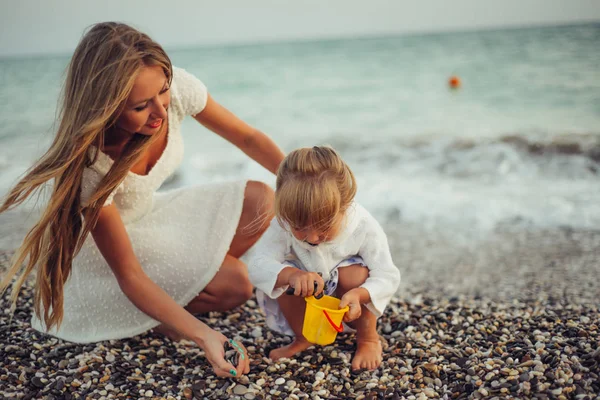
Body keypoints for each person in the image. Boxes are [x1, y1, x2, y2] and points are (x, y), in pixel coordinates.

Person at [0, 22, 285, 378]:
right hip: (103, 256)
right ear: (105, 107)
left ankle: (183, 287)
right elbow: (129, 275)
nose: (161, 112)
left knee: (262, 198)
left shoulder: (175, 88)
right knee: (236, 284)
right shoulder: (92, 163)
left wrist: (306, 182)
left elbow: (249, 139)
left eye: (162, 92)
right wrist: (203, 336)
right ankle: (155, 314)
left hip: (152, 215)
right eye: (140, 106)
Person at [248, 146, 401, 371]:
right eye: (299, 227)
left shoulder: (362, 225)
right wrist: (291, 275)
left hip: (350, 308)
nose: (312, 238)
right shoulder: (284, 222)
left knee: (355, 273)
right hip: (308, 307)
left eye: (324, 227)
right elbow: (256, 264)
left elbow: (387, 275)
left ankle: (368, 339)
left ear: (345, 206)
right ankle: (303, 337)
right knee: (282, 272)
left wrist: (360, 294)